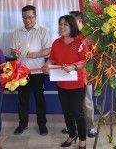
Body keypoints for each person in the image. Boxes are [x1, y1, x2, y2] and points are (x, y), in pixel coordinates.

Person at [43, 15, 87, 149]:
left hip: (78, 83)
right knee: (67, 111)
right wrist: (47, 65)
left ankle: (83, 141)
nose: (61, 27)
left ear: (72, 26)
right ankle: (72, 135)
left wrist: (74, 67)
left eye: (65, 25)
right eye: (60, 24)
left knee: (78, 112)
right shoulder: (56, 42)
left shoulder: (81, 41)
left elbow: (85, 61)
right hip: (62, 83)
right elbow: (52, 59)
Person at [10, 5, 52, 136]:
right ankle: (22, 124)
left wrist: (37, 54)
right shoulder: (17, 31)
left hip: (37, 72)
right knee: (22, 99)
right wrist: (15, 52)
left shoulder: (42, 31)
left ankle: (42, 125)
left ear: (35, 17)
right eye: (24, 17)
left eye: (29, 17)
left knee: (40, 99)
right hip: (21, 72)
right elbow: (12, 50)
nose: (27, 20)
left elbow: (48, 50)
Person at [61, 11, 97, 138]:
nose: (68, 25)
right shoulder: (69, 36)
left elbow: (92, 57)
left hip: (84, 74)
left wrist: (92, 73)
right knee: (72, 103)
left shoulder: (88, 36)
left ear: (80, 21)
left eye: (71, 21)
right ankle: (72, 126)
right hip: (68, 75)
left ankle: (90, 126)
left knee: (86, 101)